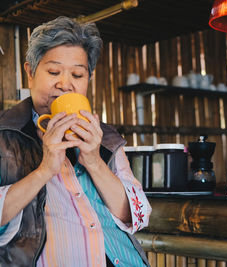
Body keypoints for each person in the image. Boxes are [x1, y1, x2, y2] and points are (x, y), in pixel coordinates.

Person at [0, 16, 151, 266]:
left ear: (88, 79)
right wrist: (45, 169)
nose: (65, 84)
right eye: (53, 71)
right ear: (30, 73)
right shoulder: (5, 132)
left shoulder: (105, 138)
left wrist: (93, 160)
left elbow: (138, 214)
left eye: (77, 75)